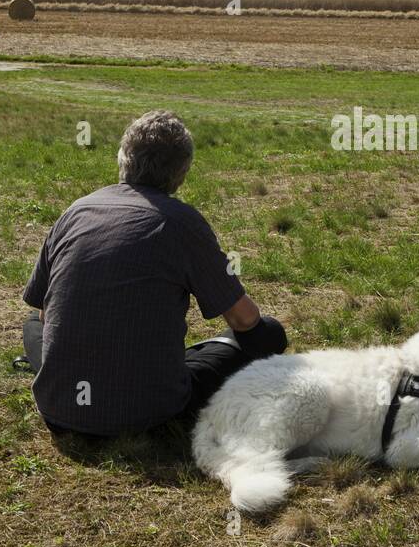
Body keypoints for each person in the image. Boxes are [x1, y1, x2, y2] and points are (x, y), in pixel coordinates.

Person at [21, 110, 287, 438]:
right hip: (151, 411)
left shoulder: (75, 211)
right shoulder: (181, 222)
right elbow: (245, 321)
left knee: (32, 326)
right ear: (182, 171)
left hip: (60, 407)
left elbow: (47, 316)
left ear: (123, 157)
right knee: (269, 333)